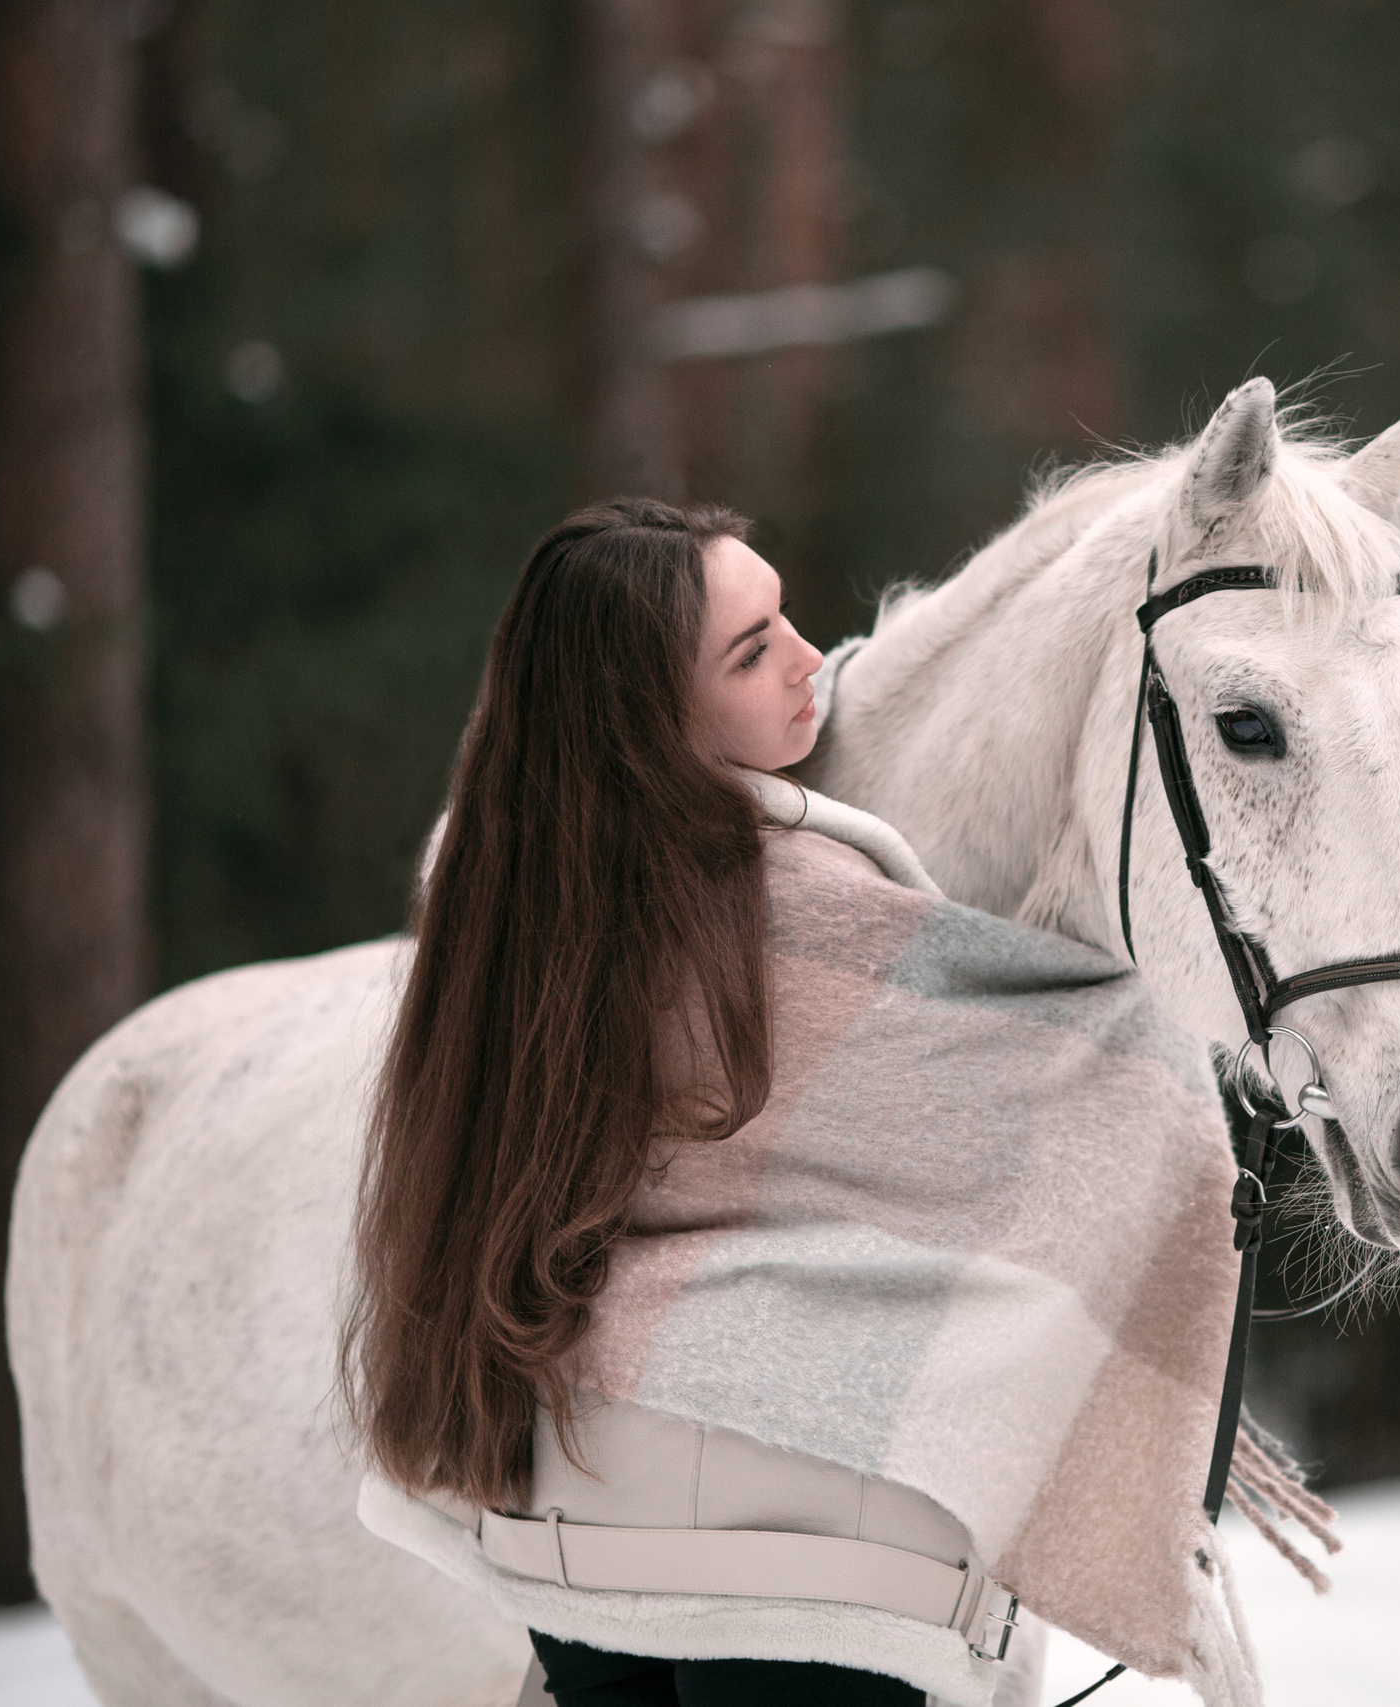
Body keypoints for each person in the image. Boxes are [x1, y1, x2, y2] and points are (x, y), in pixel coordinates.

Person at [343, 497, 962, 1707]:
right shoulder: (815, 900)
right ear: (647, 713)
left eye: (786, 617)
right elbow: (1000, 1143)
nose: (812, 661)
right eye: (753, 651)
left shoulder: (508, 910)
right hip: (798, 1548)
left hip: (576, 1527)